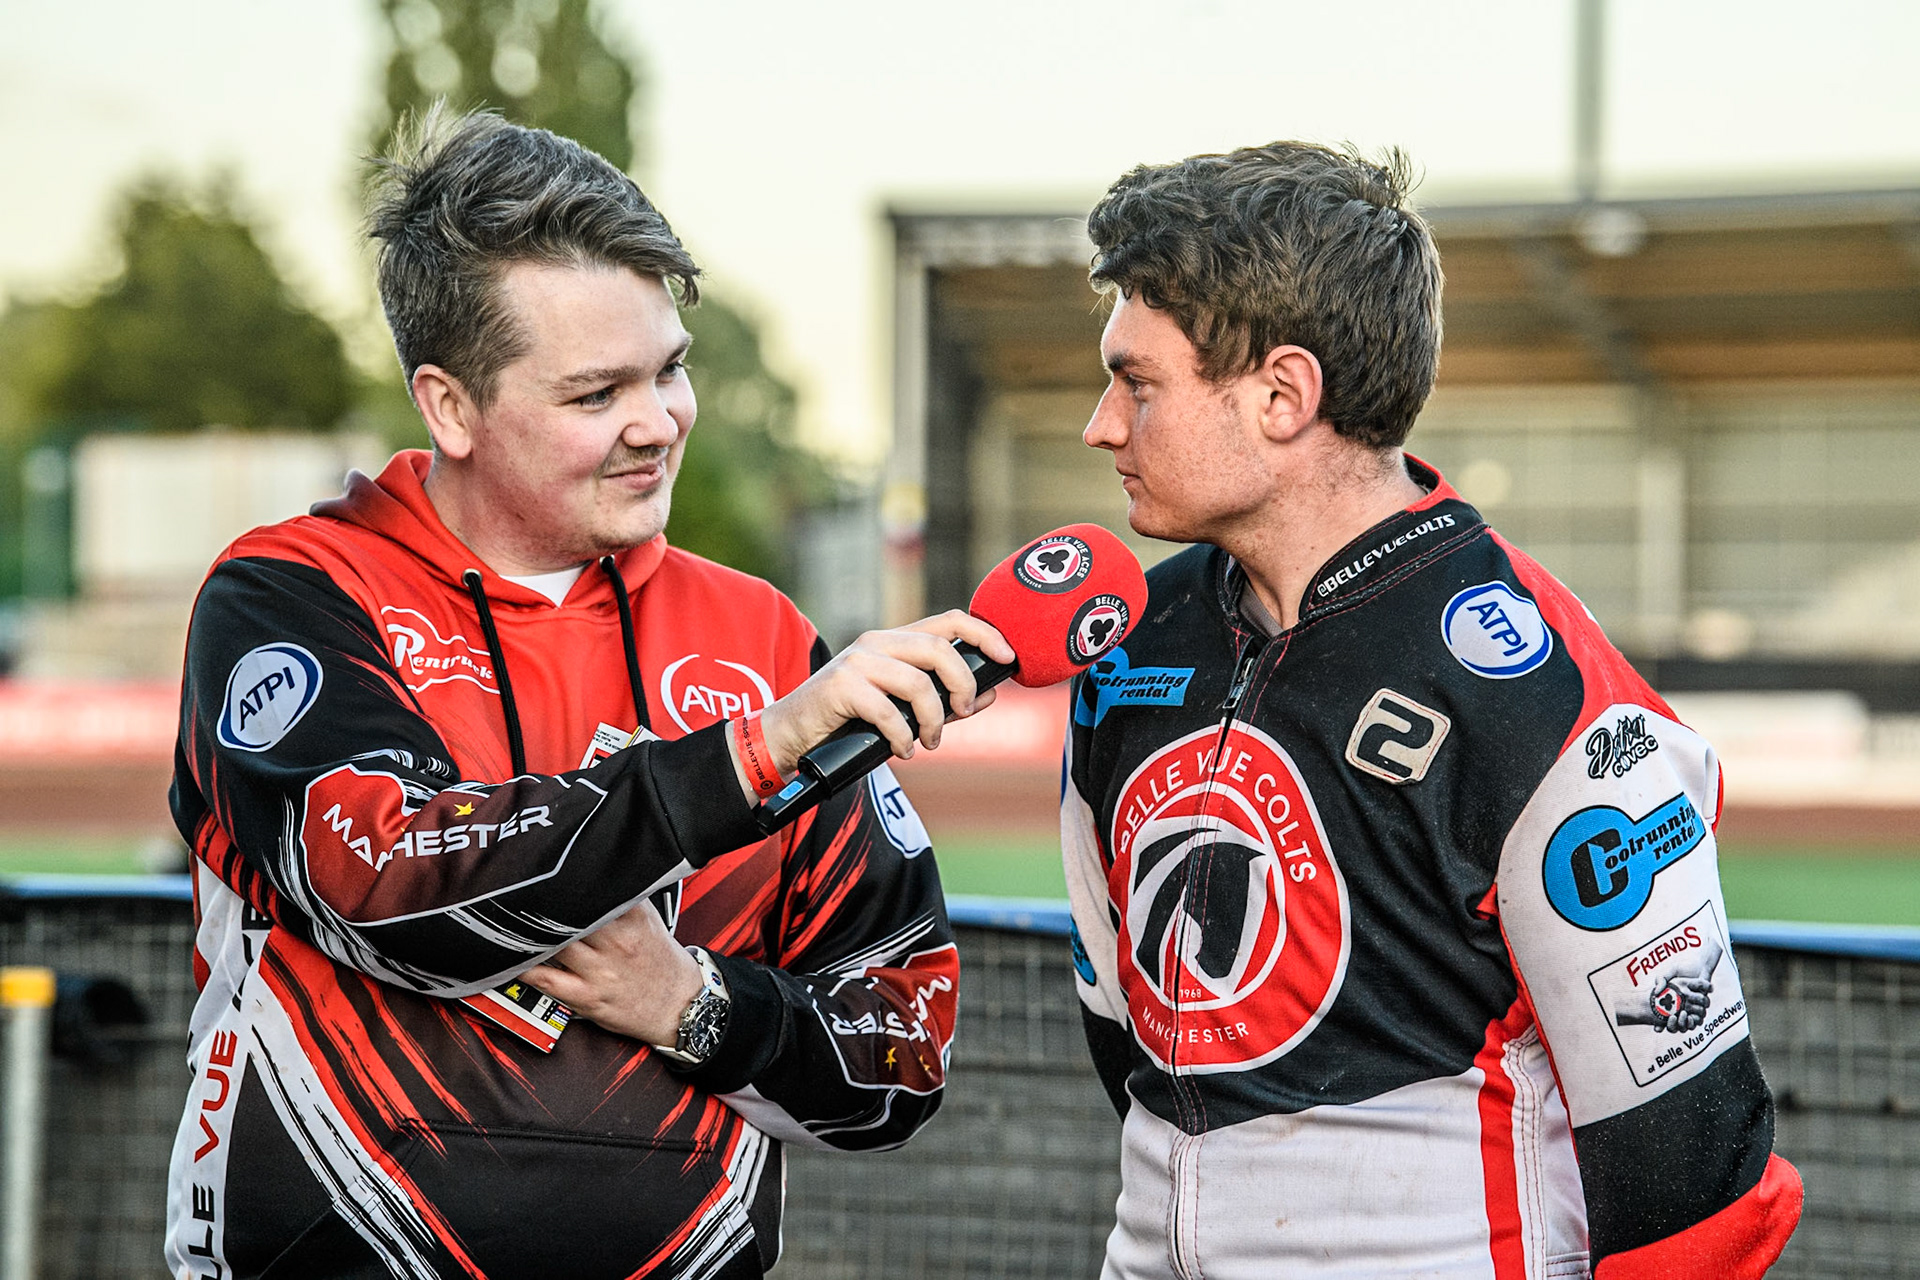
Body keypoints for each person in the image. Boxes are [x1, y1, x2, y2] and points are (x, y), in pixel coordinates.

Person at [163, 109, 1011, 1280]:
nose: (658, 422)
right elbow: (383, 879)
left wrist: (696, 1005)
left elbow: (903, 1047)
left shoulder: (760, 636)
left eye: (670, 368)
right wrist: (754, 755)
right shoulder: (294, 592)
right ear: (450, 406)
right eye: (595, 392)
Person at [1060, 143, 1803, 1278]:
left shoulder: (1545, 696)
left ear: (1281, 395)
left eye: (1138, 381)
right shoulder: (1127, 644)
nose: (1100, 425)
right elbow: (1133, 1046)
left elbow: (1695, 1172)